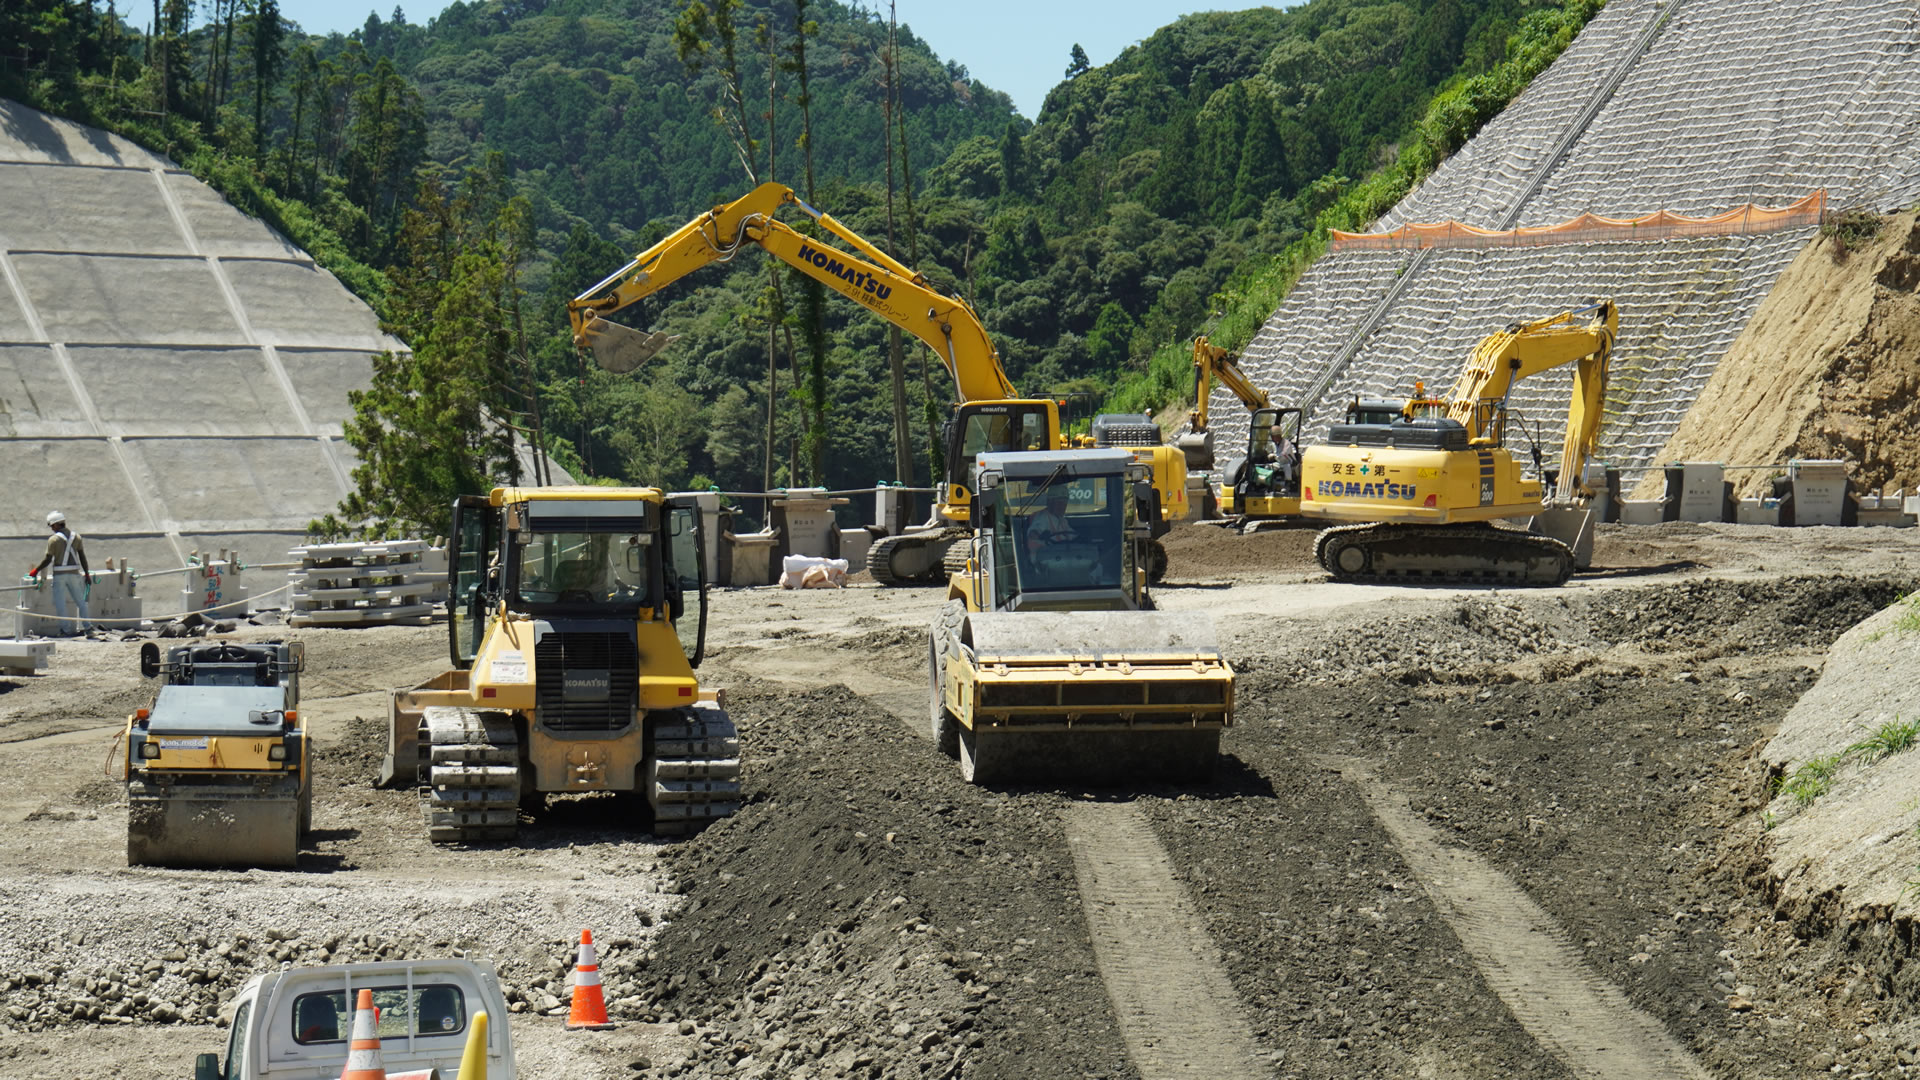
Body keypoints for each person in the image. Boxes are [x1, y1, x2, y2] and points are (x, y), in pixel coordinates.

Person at [30, 510, 92, 636]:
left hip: (60, 576)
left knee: (60, 604)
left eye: (52, 526)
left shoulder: (53, 540)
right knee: (81, 602)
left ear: (57, 524)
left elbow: (48, 559)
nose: (52, 529)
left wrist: (36, 570)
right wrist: (87, 573)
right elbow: (82, 557)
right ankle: (88, 628)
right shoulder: (77, 537)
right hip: (75, 574)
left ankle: (65, 630)